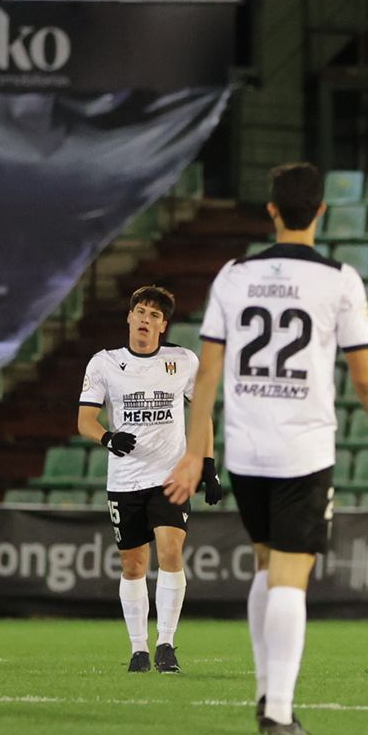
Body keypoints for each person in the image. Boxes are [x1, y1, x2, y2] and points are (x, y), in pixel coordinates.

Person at [165, 163, 368, 735]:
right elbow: (366, 379)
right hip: (303, 450)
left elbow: (206, 376)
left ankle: (264, 691)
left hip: (246, 451)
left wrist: (194, 453)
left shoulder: (233, 275)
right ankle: (277, 710)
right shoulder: (339, 280)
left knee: (268, 564)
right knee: (290, 578)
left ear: (271, 210)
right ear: (321, 211)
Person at [78, 285, 215, 674]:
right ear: (129, 317)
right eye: (140, 311)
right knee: (134, 565)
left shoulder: (182, 361)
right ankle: (138, 648)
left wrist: (208, 465)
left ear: (163, 325)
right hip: (125, 479)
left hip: (170, 475)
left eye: (154, 315)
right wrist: (107, 437)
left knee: (171, 552)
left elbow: (202, 413)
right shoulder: (104, 363)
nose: (145, 319)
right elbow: (84, 420)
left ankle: (166, 644)